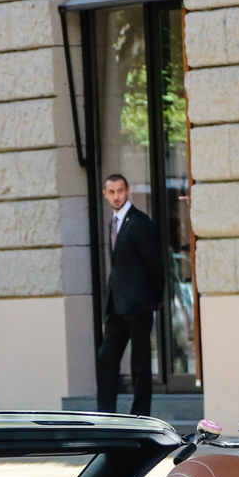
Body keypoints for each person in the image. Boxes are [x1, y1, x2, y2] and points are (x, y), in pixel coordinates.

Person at [93, 173, 169, 415]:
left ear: (128, 191)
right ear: (105, 195)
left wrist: (156, 297)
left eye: (121, 191)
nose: (117, 196)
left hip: (139, 304)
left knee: (140, 364)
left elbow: (155, 264)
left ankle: (140, 415)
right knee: (106, 357)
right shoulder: (113, 223)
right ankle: (106, 414)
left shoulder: (139, 222)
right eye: (112, 192)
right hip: (117, 305)